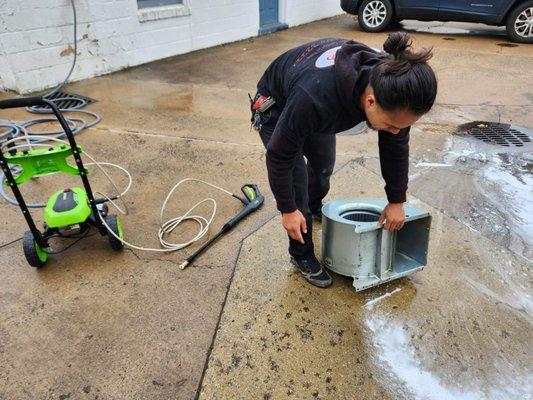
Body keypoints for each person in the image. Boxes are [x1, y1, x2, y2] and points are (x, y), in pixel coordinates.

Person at [250, 32, 437, 288]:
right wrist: (288, 209)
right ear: (371, 101)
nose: (397, 131)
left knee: (324, 164)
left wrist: (396, 200)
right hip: (277, 105)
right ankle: (301, 253)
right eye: (392, 125)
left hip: (309, 101)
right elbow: (278, 154)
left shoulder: (392, 85)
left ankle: (314, 207)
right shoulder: (314, 98)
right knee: (296, 187)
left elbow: (396, 146)